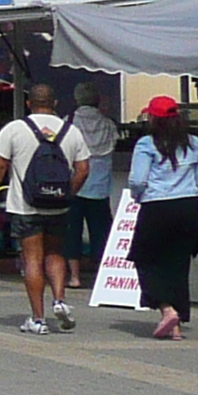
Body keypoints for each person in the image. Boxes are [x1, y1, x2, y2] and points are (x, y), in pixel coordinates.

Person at [0, 83, 92, 335]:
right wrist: (68, 193)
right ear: (55, 103)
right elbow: (84, 169)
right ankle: (60, 300)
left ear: (29, 103)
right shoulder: (71, 131)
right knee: (55, 253)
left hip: (25, 205)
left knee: (32, 259)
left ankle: (38, 319)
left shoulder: (14, 129)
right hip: (57, 205)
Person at [122, 95, 198, 340]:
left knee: (145, 259)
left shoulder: (146, 144)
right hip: (188, 208)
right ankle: (177, 326)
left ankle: (166, 309)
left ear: (153, 119)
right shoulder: (194, 143)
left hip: (157, 207)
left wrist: (138, 196)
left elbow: (138, 180)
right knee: (178, 266)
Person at [66, 94, 121, 271]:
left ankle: (74, 275)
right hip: (100, 185)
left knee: (72, 232)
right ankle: (101, 272)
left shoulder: (70, 121)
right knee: (101, 232)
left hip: (75, 183)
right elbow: (115, 142)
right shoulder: (108, 124)